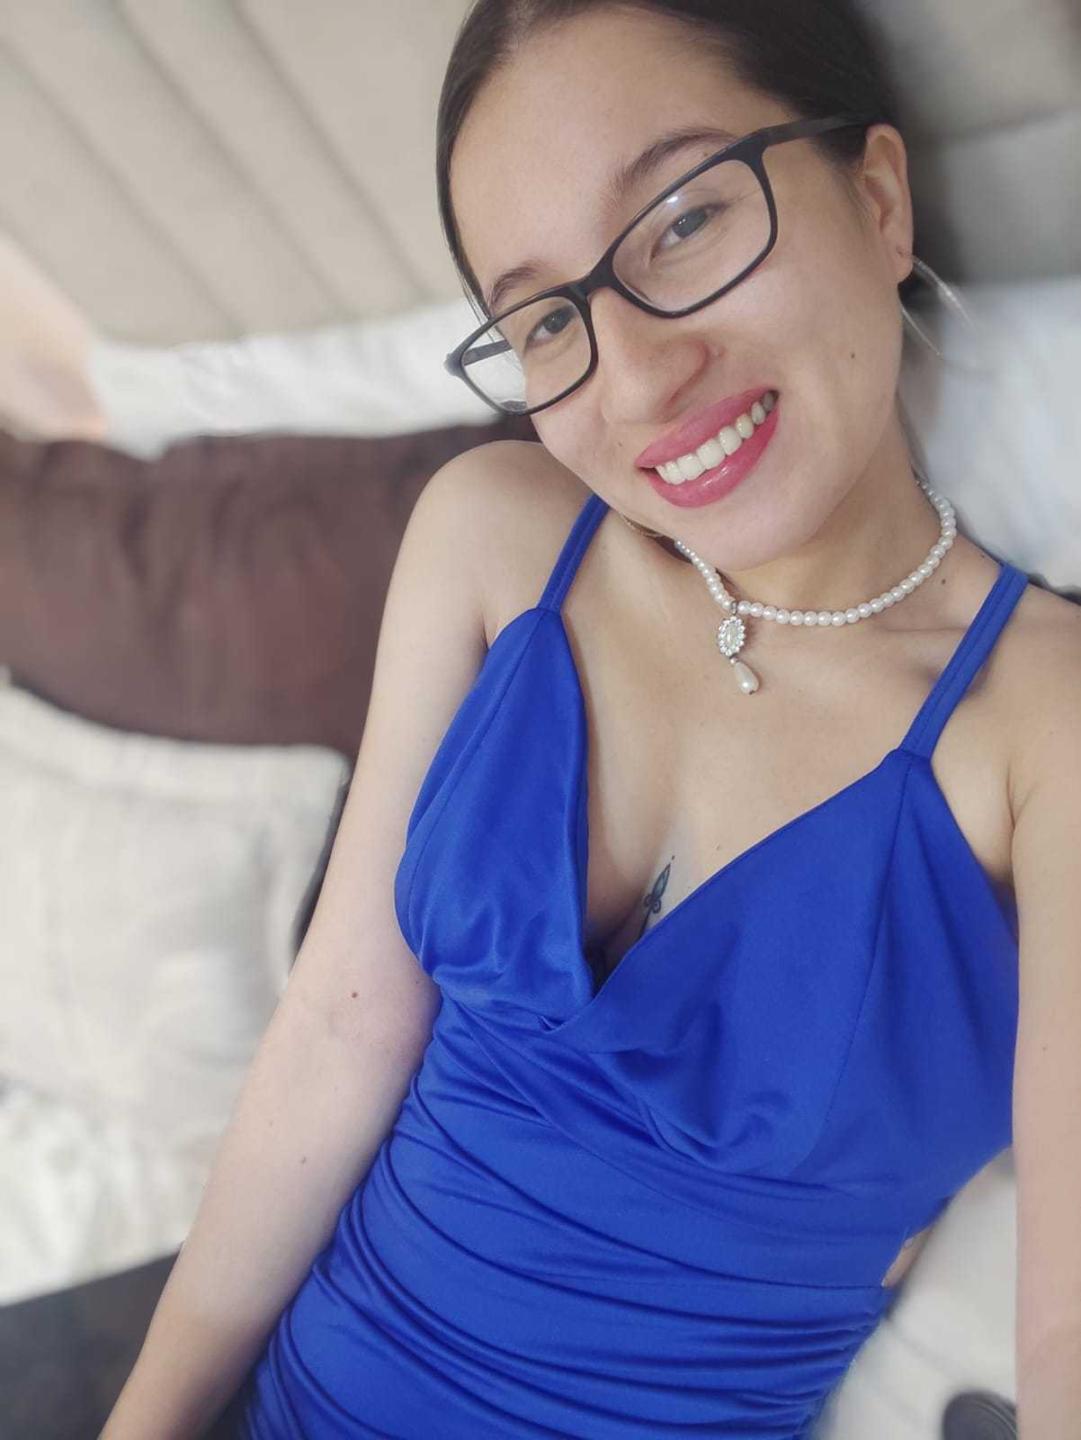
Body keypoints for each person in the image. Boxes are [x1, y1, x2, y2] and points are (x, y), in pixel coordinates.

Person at [102, 2, 1081, 1437]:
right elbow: (336, 1032)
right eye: (547, 319)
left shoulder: (1048, 723)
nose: (635, 377)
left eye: (684, 221)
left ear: (877, 199)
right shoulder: (494, 535)